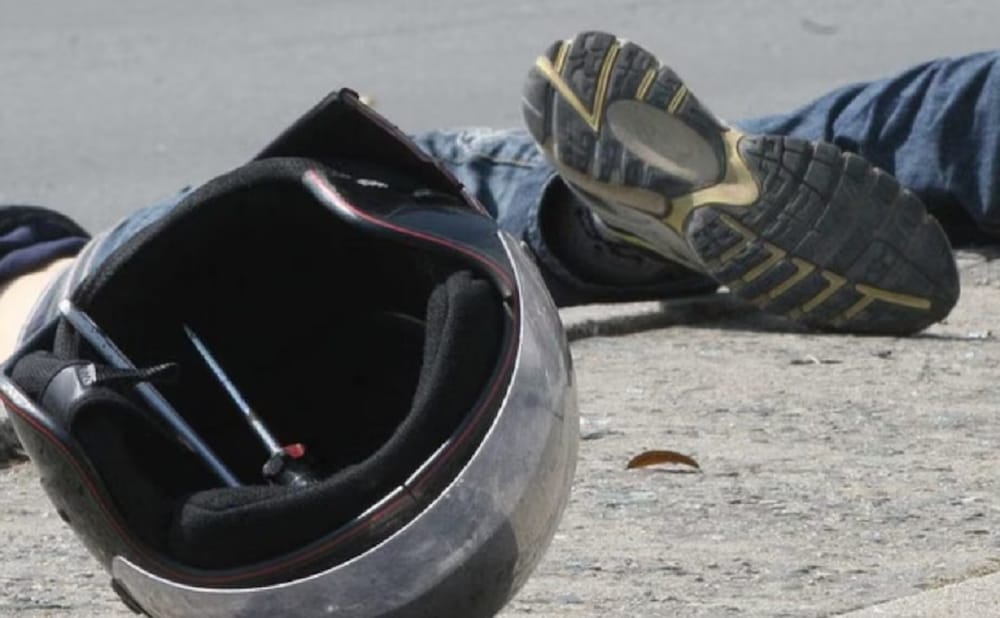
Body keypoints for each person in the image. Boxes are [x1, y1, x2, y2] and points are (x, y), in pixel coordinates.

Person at [0, 30, 993, 616]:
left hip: (89, 293)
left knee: (398, 215)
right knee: (408, 203)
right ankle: (592, 226)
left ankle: (598, 228)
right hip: (131, 288)